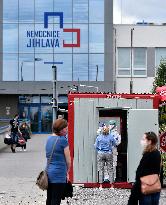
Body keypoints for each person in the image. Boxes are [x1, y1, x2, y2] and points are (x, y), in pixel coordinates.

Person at [128, 131, 161, 205]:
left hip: (145, 185)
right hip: (155, 185)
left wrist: (136, 185)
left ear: (149, 141)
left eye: (143, 139)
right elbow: (158, 170)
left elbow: (140, 171)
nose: (141, 141)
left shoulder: (148, 154)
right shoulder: (157, 153)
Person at [46, 118, 71, 205]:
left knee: (49, 199)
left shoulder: (49, 139)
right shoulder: (63, 140)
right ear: (61, 129)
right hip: (59, 174)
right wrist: (67, 172)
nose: (67, 130)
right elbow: (68, 161)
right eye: (66, 128)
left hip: (48, 173)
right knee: (56, 200)